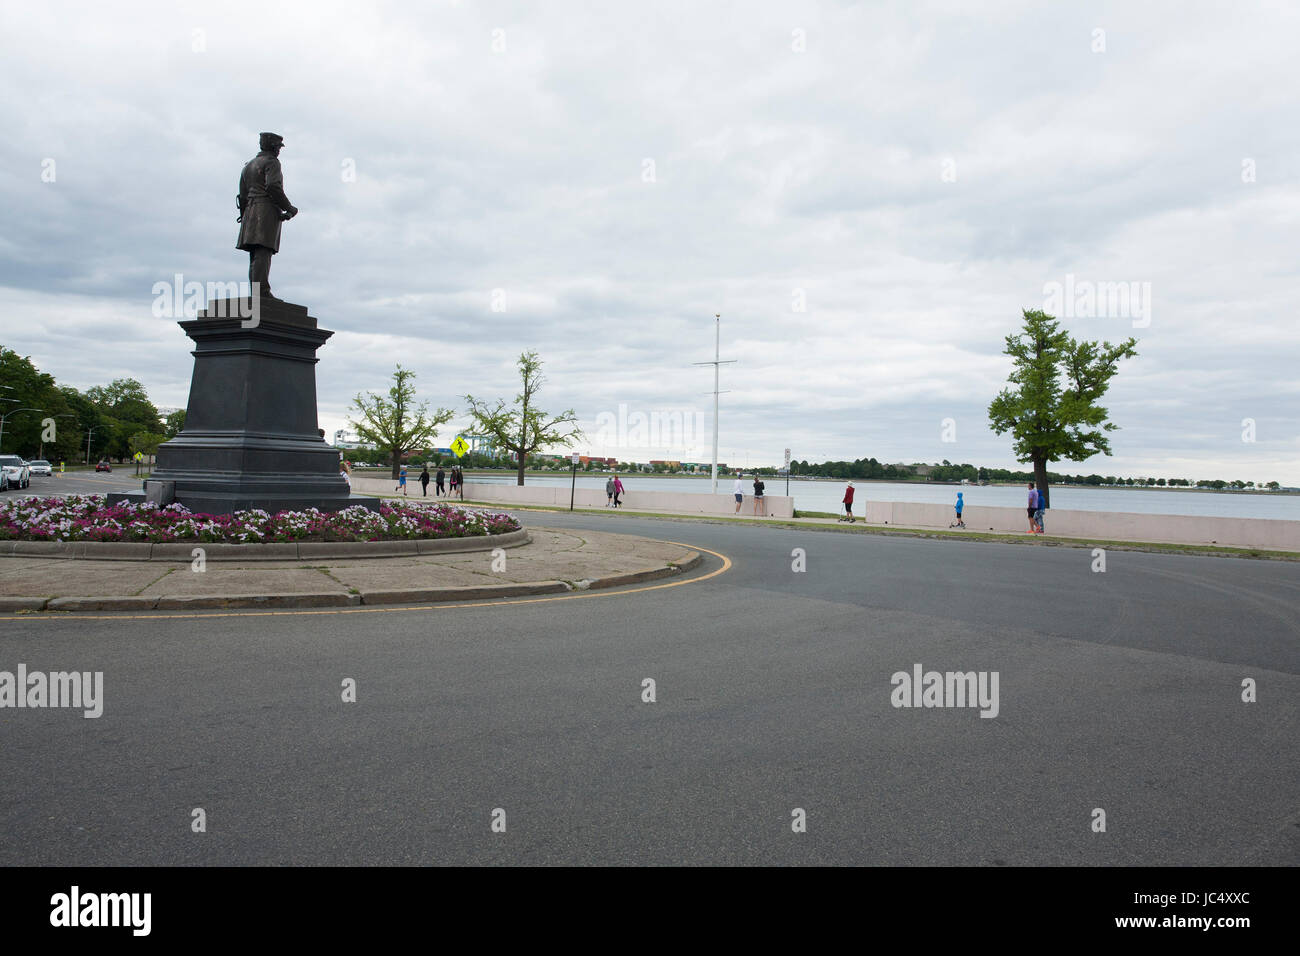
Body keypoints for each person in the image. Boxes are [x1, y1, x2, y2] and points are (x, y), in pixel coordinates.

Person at [237, 132, 298, 299]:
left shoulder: (248, 166)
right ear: (273, 147)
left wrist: (245, 216)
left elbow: (242, 196)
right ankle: (261, 293)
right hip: (265, 211)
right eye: (278, 147)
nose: (279, 151)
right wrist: (289, 208)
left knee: (255, 255)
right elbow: (273, 187)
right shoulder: (272, 163)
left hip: (250, 211)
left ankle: (257, 292)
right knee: (263, 252)